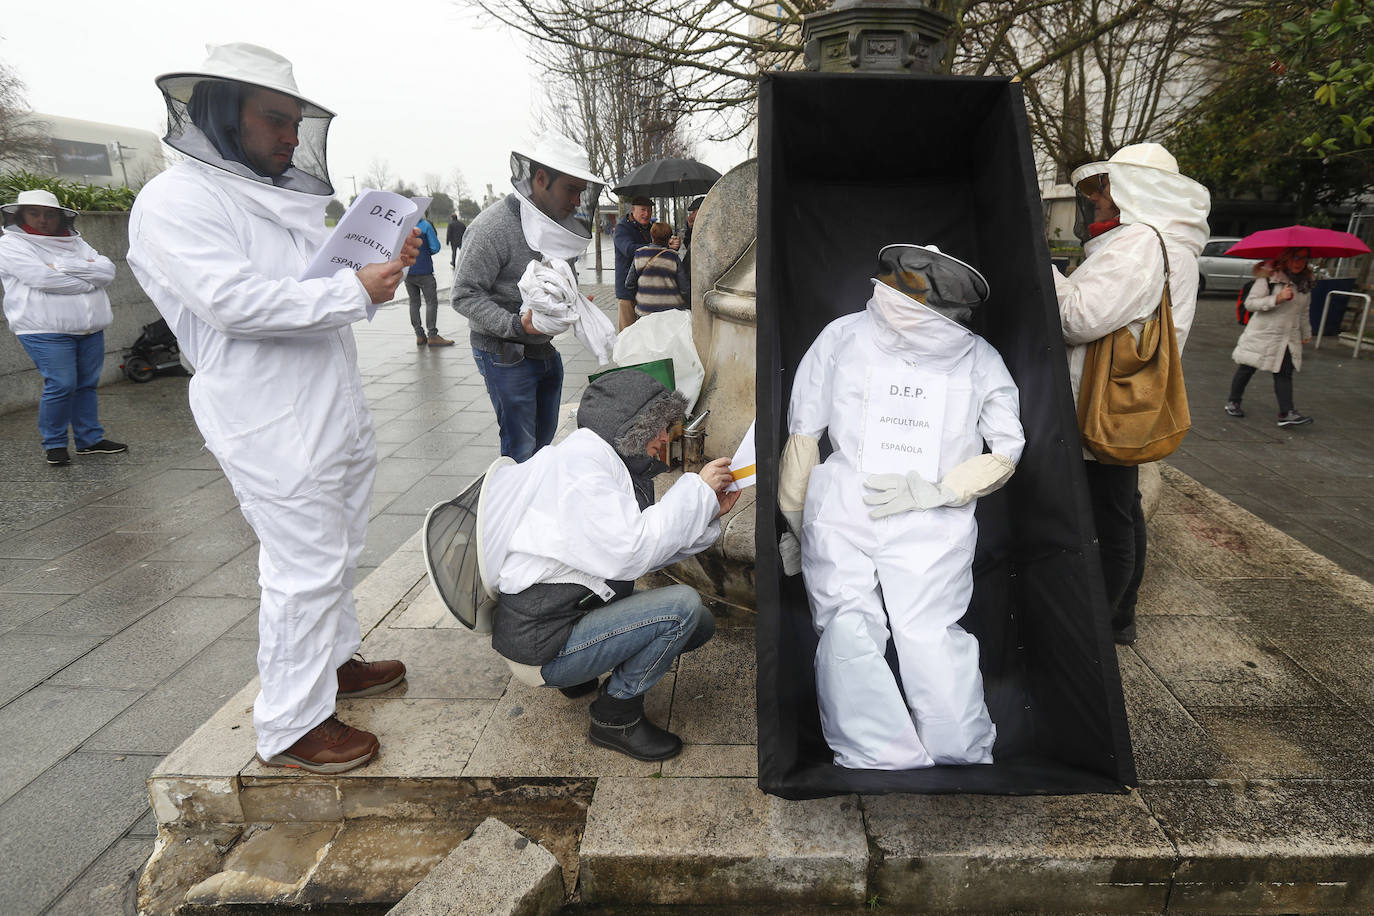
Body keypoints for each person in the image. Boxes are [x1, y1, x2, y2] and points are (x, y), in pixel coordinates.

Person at [127, 42, 418, 774]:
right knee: (302, 567)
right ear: (226, 113)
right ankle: (291, 724)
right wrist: (356, 291)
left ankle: (335, 663)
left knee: (339, 548)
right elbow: (232, 303)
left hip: (326, 403)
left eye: (296, 122)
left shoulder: (271, 200)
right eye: (276, 120)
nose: (291, 137)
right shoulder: (176, 201)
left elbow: (315, 288)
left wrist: (379, 266)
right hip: (267, 418)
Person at [777, 244, 1023, 770]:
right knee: (930, 629)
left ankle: (876, 752)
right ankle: (959, 746)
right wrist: (939, 492)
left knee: (847, 622)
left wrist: (796, 523)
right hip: (931, 519)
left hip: (845, 507)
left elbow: (803, 438)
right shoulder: (981, 357)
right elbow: (1007, 450)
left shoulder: (841, 335)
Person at [481, 369, 738, 760]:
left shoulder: (599, 459)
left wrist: (704, 515)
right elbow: (633, 551)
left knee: (697, 625)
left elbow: (642, 550)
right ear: (628, 428)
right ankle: (615, 716)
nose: (664, 438)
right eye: (657, 427)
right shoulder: (581, 475)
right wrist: (698, 489)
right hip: (543, 647)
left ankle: (581, 675)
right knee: (682, 609)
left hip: (555, 621)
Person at [1053, 142, 1210, 646]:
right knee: (1122, 506)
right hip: (1133, 398)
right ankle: (1120, 618)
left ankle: (1096, 624)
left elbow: (1076, 318)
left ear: (1134, 191)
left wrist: (1044, 268)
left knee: (1106, 512)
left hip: (1104, 399)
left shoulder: (1140, 241)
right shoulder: (1173, 242)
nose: (1097, 199)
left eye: (1105, 188)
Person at [452, 132, 606, 462]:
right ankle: (511, 509)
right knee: (520, 451)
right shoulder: (492, 228)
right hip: (503, 353)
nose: (577, 201)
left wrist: (572, 303)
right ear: (540, 179)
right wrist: (516, 324)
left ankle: (534, 503)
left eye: (581, 192)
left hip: (542, 350)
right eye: (571, 190)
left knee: (542, 448)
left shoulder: (555, 225)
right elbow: (463, 294)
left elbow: (560, 279)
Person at [0, 189, 127, 466]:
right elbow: (42, 278)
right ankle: (55, 444)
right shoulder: (11, 245)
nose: (43, 219)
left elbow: (108, 271)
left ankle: (89, 440)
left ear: (61, 217)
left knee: (85, 385)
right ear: (20, 215)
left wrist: (64, 266)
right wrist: (88, 279)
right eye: (35, 213)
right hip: (44, 330)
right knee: (62, 384)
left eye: (49, 214)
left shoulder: (76, 243)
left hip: (90, 328)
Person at [1225, 249, 1314, 427]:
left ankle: (1286, 412)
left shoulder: (1304, 284)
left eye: (1304, 258)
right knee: (1247, 368)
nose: (1300, 262)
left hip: (1287, 338)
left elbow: (1303, 312)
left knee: (1284, 373)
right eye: (1296, 257)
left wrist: (1306, 333)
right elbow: (1250, 304)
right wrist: (1277, 298)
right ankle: (1233, 401)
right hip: (1263, 334)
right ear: (1286, 258)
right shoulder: (1268, 278)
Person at [406, 207, 452, 347]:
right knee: (431, 302)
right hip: (424, 270)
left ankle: (419, 335)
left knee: (414, 303)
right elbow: (435, 247)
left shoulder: (403, 226)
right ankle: (432, 335)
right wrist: (425, 252)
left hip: (408, 271)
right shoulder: (425, 225)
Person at [625, 221, 688, 316]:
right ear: (669, 238)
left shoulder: (639, 254)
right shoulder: (673, 257)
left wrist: (644, 293)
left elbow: (629, 284)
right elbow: (684, 288)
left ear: (651, 236)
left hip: (645, 310)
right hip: (671, 311)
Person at [613, 196, 653, 330]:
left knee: (645, 331)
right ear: (633, 210)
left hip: (647, 289)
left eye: (649, 211)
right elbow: (629, 250)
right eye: (643, 210)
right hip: (627, 289)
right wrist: (655, 248)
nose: (646, 214)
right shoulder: (622, 229)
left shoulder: (651, 228)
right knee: (627, 331)